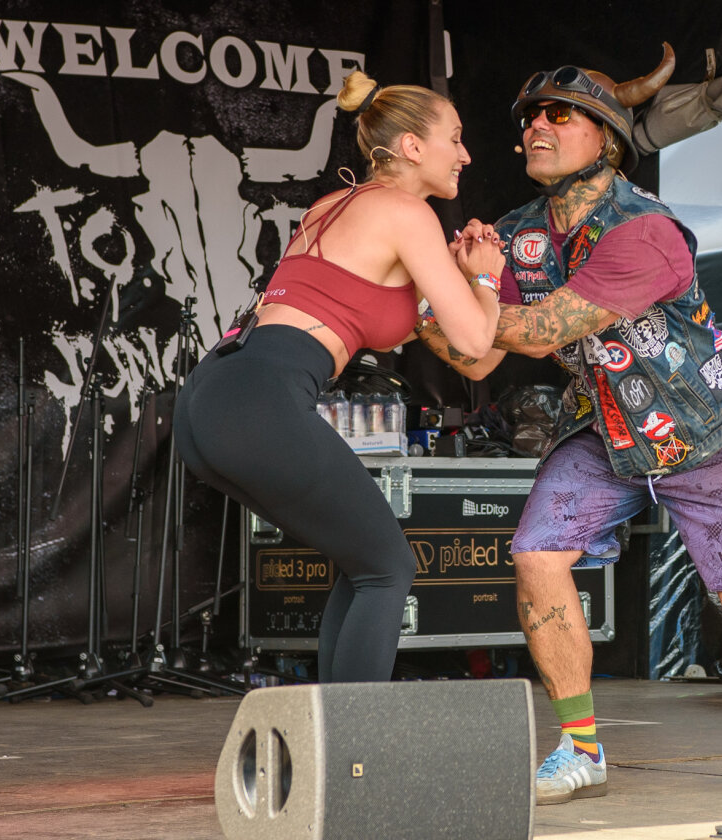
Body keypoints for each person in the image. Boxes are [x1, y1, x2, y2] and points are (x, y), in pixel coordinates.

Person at [418, 45, 722, 802]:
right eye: (530, 116)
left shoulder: (646, 232)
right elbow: (470, 360)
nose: (537, 125)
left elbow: (532, 333)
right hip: (603, 431)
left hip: (705, 435)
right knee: (537, 557)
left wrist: (452, 293)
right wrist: (433, 300)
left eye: (558, 114)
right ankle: (580, 746)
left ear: (605, 137)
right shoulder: (516, 233)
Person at [173, 71, 504, 683]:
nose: (466, 154)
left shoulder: (336, 205)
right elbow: (476, 338)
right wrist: (484, 276)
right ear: (411, 147)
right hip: (257, 400)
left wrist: (455, 277)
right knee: (388, 568)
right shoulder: (406, 212)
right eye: (454, 139)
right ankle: (357, 749)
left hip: (213, 397)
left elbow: (462, 356)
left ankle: (334, 745)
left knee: (366, 565)